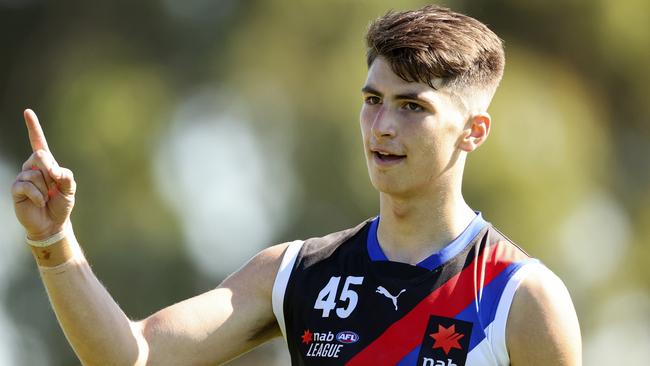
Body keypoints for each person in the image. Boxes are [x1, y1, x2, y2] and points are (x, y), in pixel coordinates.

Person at [11, 5, 581, 366]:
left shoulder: (522, 300)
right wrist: (53, 241)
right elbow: (131, 356)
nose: (382, 126)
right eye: (372, 101)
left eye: (413, 107)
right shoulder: (297, 273)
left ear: (474, 132)